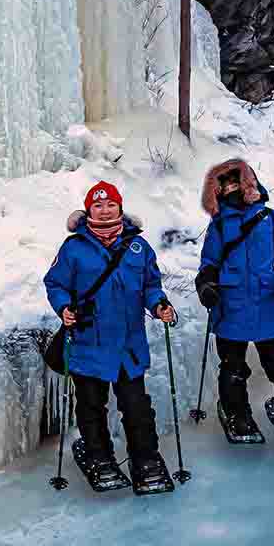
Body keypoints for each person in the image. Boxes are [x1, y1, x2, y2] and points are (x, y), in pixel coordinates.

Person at [43, 180, 177, 495]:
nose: (105, 212)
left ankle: (145, 460)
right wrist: (63, 308)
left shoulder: (138, 247)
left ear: (120, 208)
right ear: (88, 210)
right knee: (91, 406)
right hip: (88, 342)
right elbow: (56, 284)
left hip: (128, 345)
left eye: (111, 205)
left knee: (136, 406)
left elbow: (150, 285)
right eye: (98, 206)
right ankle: (100, 458)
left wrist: (159, 305)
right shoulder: (73, 247)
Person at [195, 159, 274, 440]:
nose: (233, 188)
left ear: (250, 183)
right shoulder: (219, 226)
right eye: (226, 185)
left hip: (269, 302)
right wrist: (206, 284)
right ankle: (238, 415)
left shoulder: (272, 219)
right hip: (231, 306)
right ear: (218, 191)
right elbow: (208, 262)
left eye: (238, 182)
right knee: (233, 368)